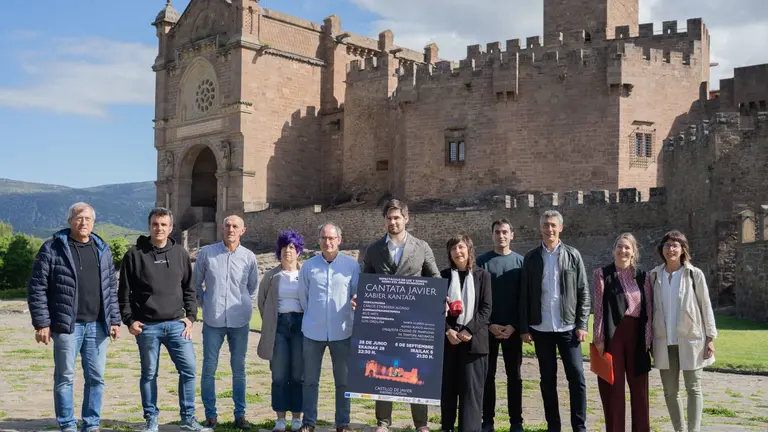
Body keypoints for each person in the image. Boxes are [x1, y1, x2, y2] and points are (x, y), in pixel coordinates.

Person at [27, 202, 121, 432]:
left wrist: (115, 320)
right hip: (66, 326)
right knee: (65, 378)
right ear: (70, 221)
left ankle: (91, 424)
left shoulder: (103, 250)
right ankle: (67, 425)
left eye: (88, 219)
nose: (83, 222)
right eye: (79, 218)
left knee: (96, 378)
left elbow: (110, 288)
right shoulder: (52, 248)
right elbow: (37, 287)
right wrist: (42, 323)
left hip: (98, 325)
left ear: (93, 222)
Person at [118, 207, 210, 432]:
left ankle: (188, 418)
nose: (159, 228)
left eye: (163, 225)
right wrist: (129, 321)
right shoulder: (134, 255)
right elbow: (123, 293)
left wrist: (190, 317)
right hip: (147, 326)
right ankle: (151, 419)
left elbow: (189, 289)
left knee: (188, 370)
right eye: (155, 224)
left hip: (177, 324)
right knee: (149, 374)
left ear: (170, 228)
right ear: (149, 226)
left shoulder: (180, 253)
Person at [360, 198, 440, 432]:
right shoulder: (374, 250)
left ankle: (421, 423)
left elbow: (434, 279)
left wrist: (437, 300)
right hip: (384, 321)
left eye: (397, 217)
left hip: (414, 321)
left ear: (406, 219)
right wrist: (360, 300)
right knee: (382, 369)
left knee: (417, 368)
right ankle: (383, 421)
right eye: (389, 218)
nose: (393, 222)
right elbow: (366, 282)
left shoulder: (422, 247)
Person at [519, 209, 589, 432]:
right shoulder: (531, 258)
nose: (549, 229)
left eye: (553, 225)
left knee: (577, 378)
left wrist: (582, 324)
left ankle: (579, 426)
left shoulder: (573, 255)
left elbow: (583, 291)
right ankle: (554, 427)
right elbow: (524, 295)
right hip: (541, 327)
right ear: (540, 229)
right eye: (545, 225)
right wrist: (524, 327)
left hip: (568, 327)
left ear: (561, 228)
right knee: (547, 380)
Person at [194, 215, 259, 429]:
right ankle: (210, 415)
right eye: (228, 226)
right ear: (222, 229)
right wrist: (207, 304)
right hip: (213, 321)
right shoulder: (207, 254)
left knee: (239, 369)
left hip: (239, 321)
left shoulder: (249, 257)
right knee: (209, 369)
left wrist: (242, 304)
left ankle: (240, 415)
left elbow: (252, 288)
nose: (231, 229)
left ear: (243, 230)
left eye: (235, 226)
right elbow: (195, 286)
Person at [650, 230, 717, 432]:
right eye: (667, 245)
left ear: (682, 249)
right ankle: (679, 429)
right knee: (670, 391)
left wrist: (710, 338)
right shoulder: (654, 275)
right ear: (662, 249)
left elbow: (706, 306)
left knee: (693, 388)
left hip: (691, 339)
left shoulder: (694, 274)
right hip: (664, 340)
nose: (671, 249)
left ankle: (693, 430)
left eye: (675, 245)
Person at [298, 223, 359, 432]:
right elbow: (303, 297)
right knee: (310, 380)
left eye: (332, 238)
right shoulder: (308, 266)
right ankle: (309, 421)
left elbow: (355, 295)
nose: (327, 242)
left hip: (342, 330)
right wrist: (315, 314)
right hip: (313, 331)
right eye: (324, 238)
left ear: (339, 240)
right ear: (319, 240)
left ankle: (343, 422)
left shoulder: (352, 266)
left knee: (343, 381)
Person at [592, 233, 652, 432]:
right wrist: (599, 338)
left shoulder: (643, 276)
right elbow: (599, 309)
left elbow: (649, 310)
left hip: (637, 335)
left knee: (639, 389)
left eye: (627, 247)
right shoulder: (602, 274)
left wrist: (648, 338)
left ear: (633, 251)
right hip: (613, 335)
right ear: (613, 249)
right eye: (619, 246)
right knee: (613, 389)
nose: (623, 251)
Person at [440, 235, 492, 432]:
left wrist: (469, 329)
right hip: (450, 342)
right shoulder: (443, 277)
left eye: (460, 247)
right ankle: (447, 427)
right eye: (453, 249)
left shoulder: (483, 276)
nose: (457, 252)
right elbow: (436, 308)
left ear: (469, 249)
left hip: (474, 342)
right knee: (449, 389)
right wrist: (448, 331)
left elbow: (486, 309)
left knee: (471, 392)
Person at [477, 219, 525, 432]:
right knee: (488, 377)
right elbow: (476, 297)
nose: (501, 236)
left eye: (505, 232)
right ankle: (487, 421)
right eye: (497, 232)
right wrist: (488, 324)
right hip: (488, 328)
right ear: (492, 235)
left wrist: (515, 325)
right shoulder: (482, 262)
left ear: (512, 235)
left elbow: (525, 298)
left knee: (514, 376)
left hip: (513, 329)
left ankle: (516, 422)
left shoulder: (521, 263)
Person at [257, 230, 307, 432]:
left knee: (298, 374)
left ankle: (297, 417)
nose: (289, 251)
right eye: (285, 246)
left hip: (300, 326)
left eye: (293, 247)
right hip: (279, 326)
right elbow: (262, 302)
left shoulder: (305, 274)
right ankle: (280, 418)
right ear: (280, 250)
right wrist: (270, 323)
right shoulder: (271, 276)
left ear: (299, 251)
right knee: (278, 375)